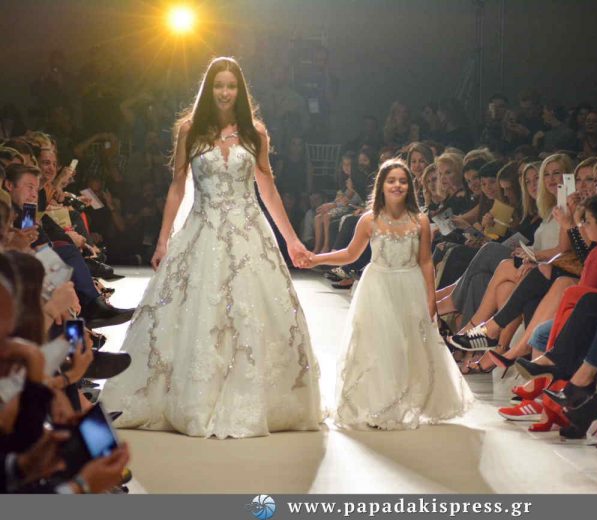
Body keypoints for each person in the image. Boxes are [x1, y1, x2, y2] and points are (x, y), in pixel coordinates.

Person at [100, 57, 322, 439]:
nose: (224, 92)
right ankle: (192, 397)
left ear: (240, 91)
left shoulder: (255, 133)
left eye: (231, 86)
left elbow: (267, 189)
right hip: (202, 231)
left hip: (249, 234)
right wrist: (163, 238)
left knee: (252, 313)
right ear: (209, 89)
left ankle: (252, 399)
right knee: (197, 312)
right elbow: (177, 186)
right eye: (218, 85)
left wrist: (291, 239)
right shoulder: (190, 130)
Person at [305, 159, 473, 429]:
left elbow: (426, 261)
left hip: (409, 285)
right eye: (391, 181)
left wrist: (431, 298)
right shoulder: (369, 219)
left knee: (408, 343)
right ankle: (379, 404)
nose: (397, 186)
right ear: (381, 185)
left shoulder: (420, 220)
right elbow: (350, 254)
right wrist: (316, 258)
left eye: (403, 181)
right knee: (380, 343)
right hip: (378, 286)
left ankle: (404, 401)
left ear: (410, 187)